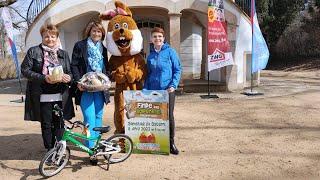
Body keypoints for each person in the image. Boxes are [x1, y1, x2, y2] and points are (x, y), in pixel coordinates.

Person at [21, 23, 74, 151]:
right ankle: (50, 150)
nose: (50, 39)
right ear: (42, 37)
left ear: (57, 37)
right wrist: (43, 78)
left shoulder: (63, 54)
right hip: (42, 95)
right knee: (47, 124)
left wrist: (69, 78)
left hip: (60, 95)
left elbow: (70, 72)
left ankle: (60, 150)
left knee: (60, 123)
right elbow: (25, 70)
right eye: (46, 36)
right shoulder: (34, 51)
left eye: (53, 36)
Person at [70, 21, 110, 150]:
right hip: (85, 88)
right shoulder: (80, 45)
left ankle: (96, 143)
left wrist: (107, 79)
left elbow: (106, 67)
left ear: (102, 33)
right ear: (89, 31)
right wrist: (78, 82)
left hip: (99, 88)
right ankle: (90, 147)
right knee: (89, 117)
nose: (96, 33)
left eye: (99, 31)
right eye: (94, 31)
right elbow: (74, 65)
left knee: (98, 116)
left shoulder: (103, 48)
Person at [143, 27, 182, 155]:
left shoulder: (170, 52)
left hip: (167, 90)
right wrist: (145, 89)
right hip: (154, 92)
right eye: (155, 36)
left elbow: (177, 69)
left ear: (163, 38)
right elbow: (148, 74)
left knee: (168, 116)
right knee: (156, 117)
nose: (157, 39)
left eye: (159, 36)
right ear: (151, 39)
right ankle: (158, 142)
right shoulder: (150, 56)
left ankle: (171, 142)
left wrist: (174, 84)